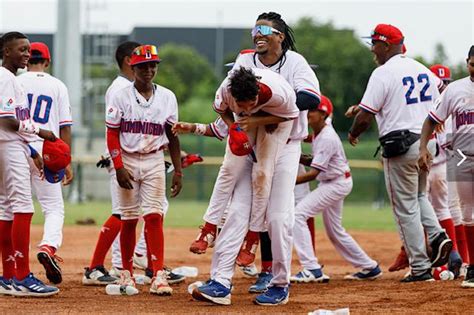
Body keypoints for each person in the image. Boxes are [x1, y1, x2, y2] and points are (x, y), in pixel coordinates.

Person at [190, 12, 322, 297]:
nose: (258, 34)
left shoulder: (295, 63)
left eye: (265, 29)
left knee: (278, 216)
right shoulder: (245, 59)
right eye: (255, 29)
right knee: (237, 212)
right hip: (251, 139)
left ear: (281, 36)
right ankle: (220, 282)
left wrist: (267, 110)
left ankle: (279, 283)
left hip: (285, 143)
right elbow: (230, 94)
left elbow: (311, 97)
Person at [348, 24, 452, 282]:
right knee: (418, 196)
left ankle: (419, 268)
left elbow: (365, 116)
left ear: (386, 45)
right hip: (427, 143)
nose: (372, 49)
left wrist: (353, 133)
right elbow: (442, 95)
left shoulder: (382, 73)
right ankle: (437, 235)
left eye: (374, 43)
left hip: (402, 145)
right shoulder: (422, 69)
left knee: (405, 208)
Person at [105, 44, 182, 296]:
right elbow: (112, 133)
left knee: (154, 216)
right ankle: (126, 274)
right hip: (126, 159)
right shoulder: (120, 95)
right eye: (143, 66)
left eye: (153, 65)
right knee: (128, 218)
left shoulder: (168, 97)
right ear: (133, 67)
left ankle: (158, 274)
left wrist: (178, 170)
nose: (149, 70)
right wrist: (118, 166)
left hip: (153, 160)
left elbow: (172, 135)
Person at [291, 95, 381, 282]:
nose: (309, 113)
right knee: (335, 231)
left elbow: (313, 173)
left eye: (314, 111)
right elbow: (312, 149)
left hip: (335, 184)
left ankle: (311, 268)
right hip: (335, 180)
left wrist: (288, 182)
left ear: (324, 114)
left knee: (298, 215)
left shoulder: (327, 137)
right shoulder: (320, 130)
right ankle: (369, 267)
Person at [387, 64, 463, 277]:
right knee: (447, 210)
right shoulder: (453, 102)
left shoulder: (427, 104)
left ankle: (422, 256)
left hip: (425, 161)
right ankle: (457, 258)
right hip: (445, 164)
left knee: (412, 206)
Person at [0, 31, 58, 296]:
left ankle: (9, 275)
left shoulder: (12, 78)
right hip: (7, 146)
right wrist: (41, 133)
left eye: (28, 50)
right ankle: (22, 277)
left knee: (6, 210)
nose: (27, 54)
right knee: (22, 208)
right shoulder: (5, 78)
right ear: (6, 52)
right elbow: (8, 121)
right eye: (21, 50)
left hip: (13, 145)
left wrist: (31, 149)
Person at [16, 42, 73, 285]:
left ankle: (14, 265)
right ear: (47, 62)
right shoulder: (57, 85)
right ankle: (48, 247)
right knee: (53, 207)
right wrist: (66, 160)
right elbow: (65, 126)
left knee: (13, 209)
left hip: (17, 149)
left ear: (26, 59)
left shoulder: (14, 81)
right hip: (48, 152)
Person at [418, 45, 474, 288]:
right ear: (467, 62)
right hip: (460, 155)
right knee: (466, 211)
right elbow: (431, 120)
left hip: (452, 157)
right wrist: (422, 148)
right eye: (473, 63)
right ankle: (471, 267)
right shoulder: (455, 90)